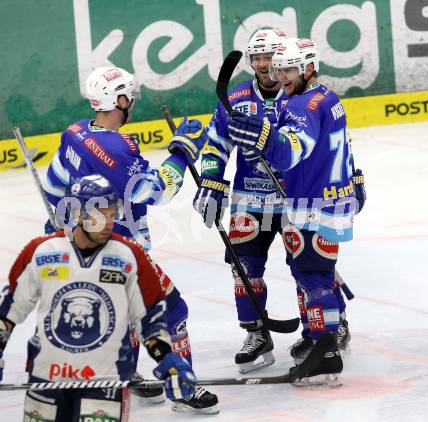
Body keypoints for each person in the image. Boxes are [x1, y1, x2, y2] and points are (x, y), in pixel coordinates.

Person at [42, 66, 218, 413]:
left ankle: (119, 374)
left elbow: (52, 185)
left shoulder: (74, 133)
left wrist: (61, 230)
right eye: (129, 97)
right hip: (120, 249)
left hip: (78, 245)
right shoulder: (120, 149)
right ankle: (181, 388)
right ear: (120, 99)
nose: (132, 102)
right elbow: (159, 191)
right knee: (172, 311)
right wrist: (182, 152)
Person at [193, 28, 351, 374]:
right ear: (251, 61)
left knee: (308, 270)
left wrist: (352, 177)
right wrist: (211, 179)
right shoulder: (235, 100)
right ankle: (257, 334)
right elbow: (214, 145)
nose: (265, 65)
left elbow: (324, 145)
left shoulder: (298, 98)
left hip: (296, 198)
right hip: (250, 199)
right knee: (244, 269)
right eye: (258, 57)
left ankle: (321, 333)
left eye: (271, 57)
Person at [0, 175, 197, 421]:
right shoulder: (41, 252)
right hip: (48, 377)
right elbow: (8, 312)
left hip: (106, 380)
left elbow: (150, 319)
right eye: (100, 214)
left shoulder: (130, 256)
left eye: (112, 214)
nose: (108, 223)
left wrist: (167, 358)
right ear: (79, 215)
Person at [226, 37, 364, 386]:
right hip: (331, 200)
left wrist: (262, 139)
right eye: (279, 68)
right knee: (313, 273)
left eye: (289, 69)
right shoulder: (328, 99)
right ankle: (323, 342)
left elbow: (290, 151)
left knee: (313, 277)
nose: (281, 76)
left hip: (311, 205)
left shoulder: (302, 106)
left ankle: (326, 350)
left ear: (309, 67)